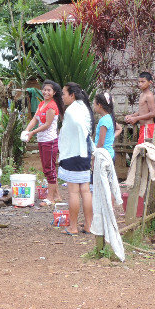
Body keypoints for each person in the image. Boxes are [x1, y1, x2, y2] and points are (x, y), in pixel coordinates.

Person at [58, 82, 94, 235]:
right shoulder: (83, 107)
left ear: (71, 95)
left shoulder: (71, 110)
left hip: (74, 153)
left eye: (64, 94)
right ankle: (89, 225)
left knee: (73, 192)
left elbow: (71, 131)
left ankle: (73, 227)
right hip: (85, 152)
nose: (62, 97)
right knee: (85, 191)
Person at [22, 80, 64, 205]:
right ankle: (57, 196)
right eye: (44, 89)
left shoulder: (52, 106)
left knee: (49, 169)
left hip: (49, 140)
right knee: (47, 168)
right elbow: (35, 119)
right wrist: (27, 130)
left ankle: (50, 198)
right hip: (42, 140)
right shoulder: (42, 104)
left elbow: (47, 124)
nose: (46, 92)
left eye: (49, 90)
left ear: (54, 92)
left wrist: (32, 133)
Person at [125, 72, 155, 144]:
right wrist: (132, 116)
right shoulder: (142, 94)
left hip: (148, 127)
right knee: (142, 151)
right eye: (139, 82)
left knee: (144, 151)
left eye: (143, 82)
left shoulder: (149, 95)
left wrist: (136, 118)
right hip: (143, 127)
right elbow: (142, 111)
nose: (140, 84)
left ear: (150, 82)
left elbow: (153, 113)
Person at [94, 90, 121, 160]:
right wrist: (111, 137)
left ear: (99, 105)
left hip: (103, 157)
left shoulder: (104, 121)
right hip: (109, 154)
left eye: (94, 104)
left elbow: (101, 143)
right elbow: (119, 128)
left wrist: (94, 156)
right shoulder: (109, 118)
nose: (94, 106)